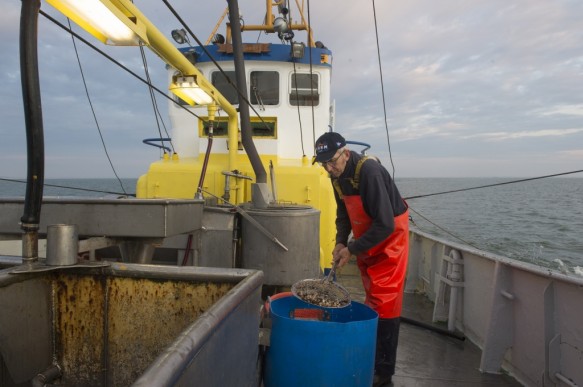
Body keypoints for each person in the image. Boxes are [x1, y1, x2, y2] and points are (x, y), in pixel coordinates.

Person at [314, 132, 409, 387]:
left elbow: (386, 224)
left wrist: (352, 250)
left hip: (390, 242)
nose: (329, 168)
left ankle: (383, 372)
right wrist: (341, 242)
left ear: (345, 153)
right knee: (372, 297)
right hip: (367, 240)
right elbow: (343, 215)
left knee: (386, 301)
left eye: (332, 161)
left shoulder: (370, 172)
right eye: (323, 164)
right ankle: (372, 358)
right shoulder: (337, 177)